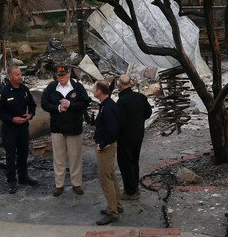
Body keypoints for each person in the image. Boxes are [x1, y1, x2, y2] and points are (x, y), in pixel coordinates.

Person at [40, 65, 90, 197]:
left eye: (63, 75)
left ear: (68, 74)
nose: (60, 78)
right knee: (58, 157)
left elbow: (85, 103)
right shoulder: (52, 87)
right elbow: (44, 103)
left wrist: (70, 105)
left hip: (74, 128)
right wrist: (57, 108)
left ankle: (76, 183)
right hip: (57, 128)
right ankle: (59, 185)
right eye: (58, 75)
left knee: (75, 157)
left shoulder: (77, 87)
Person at [0, 65, 37, 194]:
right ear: (10, 76)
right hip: (10, 129)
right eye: (17, 75)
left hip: (23, 128)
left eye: (20, 74)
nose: (20, 76)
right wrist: (11, 119)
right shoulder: (4, 92)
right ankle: (11, 180)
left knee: (23, 153)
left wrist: (30, 115)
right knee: (10, 156)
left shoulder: (24, 89)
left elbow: (32, 105)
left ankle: (23, 177)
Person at [115, 74, 152, 200]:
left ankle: (130, 191)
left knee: (125, 164)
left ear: (119, 84)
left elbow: (118, 122)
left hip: (125, 138)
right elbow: (148, 113)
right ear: (131, 83)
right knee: (134, 161)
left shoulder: (121, 102)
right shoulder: (140, 97)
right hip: (138, 135)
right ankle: (134, 186)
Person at [93, 80, 121, 225]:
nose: (93, 90)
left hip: (106, 147)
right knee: (111, 175)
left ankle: (112, 211)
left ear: (99, 91)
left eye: (94, 88)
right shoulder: (106, 105)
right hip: (107, 145)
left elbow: (112, 131)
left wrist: (102, 145)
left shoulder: (108, 107)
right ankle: (117, 205)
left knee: (105, 179)